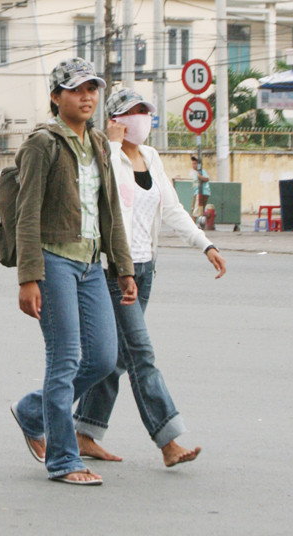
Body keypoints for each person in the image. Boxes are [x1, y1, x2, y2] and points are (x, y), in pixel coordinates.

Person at [74, 88, 227, 467]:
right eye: (133, 111)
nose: (141, 118)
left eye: (145, 111)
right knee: (142, 354)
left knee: (117, 359)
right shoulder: (102, 156)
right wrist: (109, 147)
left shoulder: (152, 157)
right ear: (115, 120)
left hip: (146, 268)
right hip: (114, 270)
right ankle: (168, 441)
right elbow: (100, 195)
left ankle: (85, 431)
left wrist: (205, 245)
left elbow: (172, 210)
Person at [10, 58, 137, 486]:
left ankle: (33, 410)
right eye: (77, 89)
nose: (87, 96)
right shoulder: (42, 144)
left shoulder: (100, 143)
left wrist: (123, 268)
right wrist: (29, 276)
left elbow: (111, 210)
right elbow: (26, 214)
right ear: (55, 96)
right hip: (53, 261)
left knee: (102, 357)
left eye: (92, 89)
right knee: (64, 359)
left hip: (91, 262)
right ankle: (63, 459)